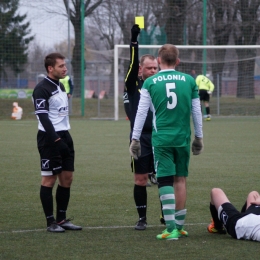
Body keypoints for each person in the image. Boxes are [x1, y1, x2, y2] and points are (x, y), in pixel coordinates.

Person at [129, 44, 204, 240]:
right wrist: (199, 137)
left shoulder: (151, 82)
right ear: (178, 61)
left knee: (164, 180)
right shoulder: (189, 80)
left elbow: (141, 112)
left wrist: (135, 139)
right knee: (180, 179)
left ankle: (170, 228)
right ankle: (179, 226)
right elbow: (197, 111)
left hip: (161, 138)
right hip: (182, 137)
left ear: (159, 61)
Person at [32, 53, 82, 232]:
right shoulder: (41, 89)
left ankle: (61, 219)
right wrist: (56, 139)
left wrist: (64, 139)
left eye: (65, 65)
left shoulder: (60, 85)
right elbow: (43, 117)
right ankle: (50, 221)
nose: (65, 68)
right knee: (49, 180)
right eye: (61, 66)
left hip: (65, 135)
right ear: (50, 68)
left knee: (67, 179)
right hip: (49, 138)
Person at [124, 24, 158, 230]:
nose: (153, 71)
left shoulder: (160, 84)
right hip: (140, 138)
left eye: (155, 68)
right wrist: (134, 40)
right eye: (149, 68)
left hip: (160, 136)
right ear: (140, 69)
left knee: (166, 179)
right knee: (140, 179)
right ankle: (142, 218)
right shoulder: (132, 84)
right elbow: (132, 62)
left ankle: (166, 217)